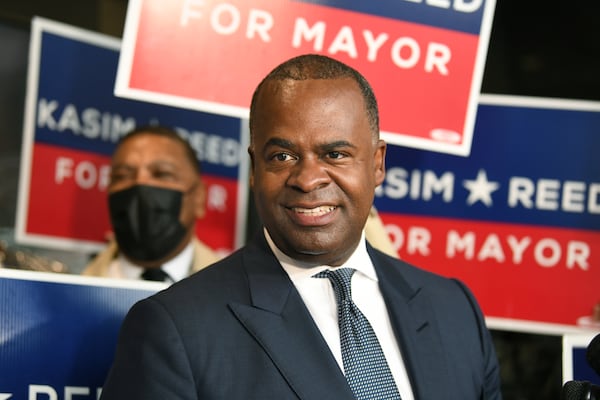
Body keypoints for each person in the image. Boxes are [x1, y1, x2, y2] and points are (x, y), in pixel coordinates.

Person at [100, 54, 502, 399]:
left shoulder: (455, 310)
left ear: (378, 163)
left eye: (335, 153)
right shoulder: (174, 328)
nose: (308, 179)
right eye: (282, 156)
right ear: (255, 168)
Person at [82, 125, 220, 283]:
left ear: (199, 197)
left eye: (162, 174)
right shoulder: (69, 288)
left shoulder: (231, 289)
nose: (140, 183)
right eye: (122, 176)